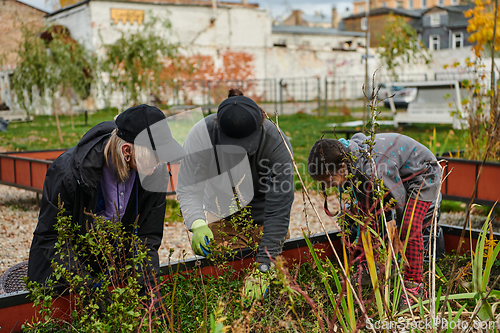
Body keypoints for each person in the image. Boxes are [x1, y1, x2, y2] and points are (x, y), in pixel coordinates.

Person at [28, 105, 185, 298]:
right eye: (155, 156)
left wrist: (151, 297)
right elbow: (51, 238)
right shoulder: (68, 173)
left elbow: (146, 239)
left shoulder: (153, 175)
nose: (159, 163)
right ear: (127, 151)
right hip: (60, 280)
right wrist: (89, 288)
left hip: (108, 274)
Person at [176, 89, 294, 304]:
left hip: (264, 221)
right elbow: (188, 187)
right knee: (224, 291)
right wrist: (197, 222)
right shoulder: (200, 136)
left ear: (259, 128)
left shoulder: (276, 143)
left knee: (274, 295)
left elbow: (279, 210)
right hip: (220, 220)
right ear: (218, 129)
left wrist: (265, 266)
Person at [307, 133, 442, 309]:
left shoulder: (374, 168)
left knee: (409, 226)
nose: (329, 186)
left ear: (342, 167)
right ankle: (368, 269)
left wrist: (397, 241)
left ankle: (413, 285)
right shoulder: (350, 159)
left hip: (423, 175)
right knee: (366, 221)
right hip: (394, 176)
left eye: (329, 180)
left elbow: (397, 203)